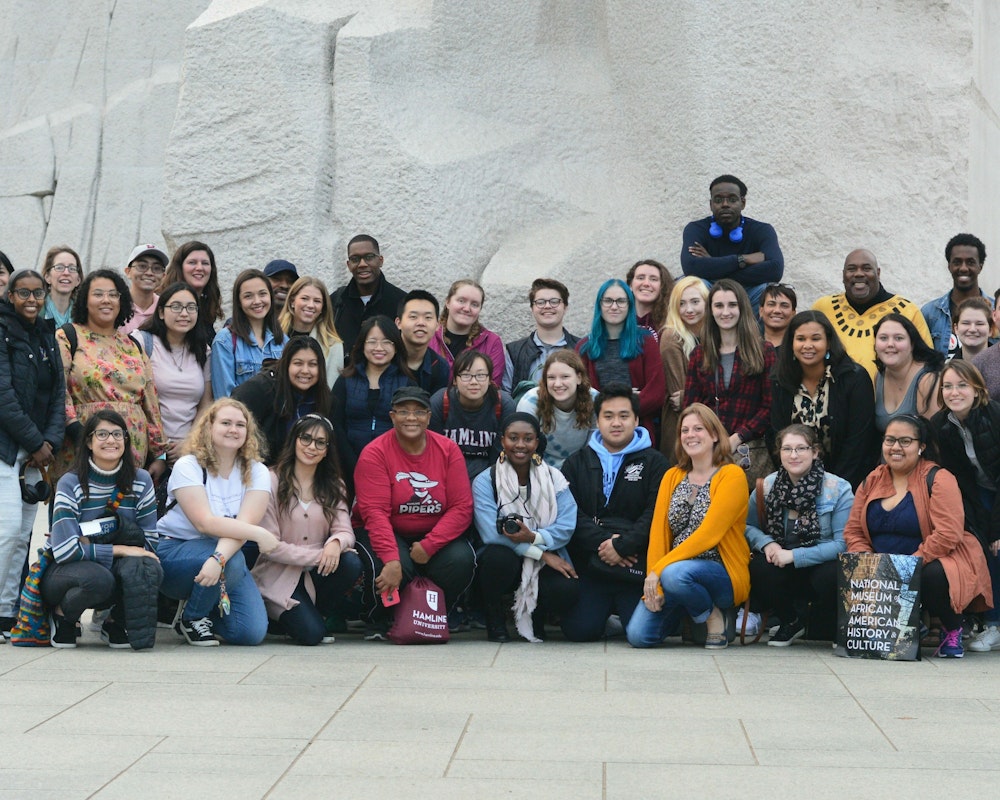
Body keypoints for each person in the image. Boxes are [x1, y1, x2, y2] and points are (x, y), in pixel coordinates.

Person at [844, 414, 992, 658]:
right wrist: (868, 561)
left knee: (935, 575)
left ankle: (952, 628)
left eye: (905, 441)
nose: (895, 447)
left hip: (930, 559)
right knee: (832, 572)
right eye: (890, 440)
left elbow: (948, 533)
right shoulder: (872, 479)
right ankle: (883, 629)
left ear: (921, 446)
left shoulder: (939, 478)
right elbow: (853, 530)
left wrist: (909, 564)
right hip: (881, 564)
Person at [352, 387, 475, 640]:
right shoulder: (374, 453)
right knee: (394, 565)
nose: (411, 418)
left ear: (429, 417)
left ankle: (440, 611)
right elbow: (374, 513)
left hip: (432, 530)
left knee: (463, 559)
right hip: (388, 527)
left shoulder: (448, 449)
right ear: (392, 416)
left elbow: (462, 507)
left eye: (418, 411)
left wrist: (430, 545)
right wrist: (392, 559)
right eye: (403, 411)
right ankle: (380, 616)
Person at [626, 403, 751, 649]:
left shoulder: (732, 475)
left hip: (720, 572)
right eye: (684, 430)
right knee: (638, 637)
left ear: (715, 435)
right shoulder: (672, 476)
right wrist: (654, 588)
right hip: (673, 575)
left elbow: (709, 535)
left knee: (677, 574)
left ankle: (714, 616)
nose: (690, 435)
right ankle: (694, 611)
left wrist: (659, 570)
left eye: (698, 429)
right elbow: (659, 534)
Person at [157, 399, 279, 646]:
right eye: (225, 423)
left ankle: (202, 601)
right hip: (175, 551)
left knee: (250, 633)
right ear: (208, 427)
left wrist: (217, 559)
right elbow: (205, 523)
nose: (233, 429)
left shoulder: (257, 471)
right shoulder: (188, 465)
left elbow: (242, 525)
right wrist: (258, 534)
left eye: (240, 425)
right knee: (234, 560)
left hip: (224, 555)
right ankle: (192, 618)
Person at [43, 410, 161, 649]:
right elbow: (65, 550)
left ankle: (115, 621)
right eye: (102, 434)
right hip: (64, 572)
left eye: (118, 434)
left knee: (148, 567)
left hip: (102, 562)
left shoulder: (140, 480)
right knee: (99, 579)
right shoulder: (71, 481)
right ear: (88, 441)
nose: (111, 440)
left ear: (126, 441)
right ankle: (63, 616)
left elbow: (149, 543)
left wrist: (89, 544)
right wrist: (122, 549)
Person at [560, 386, 668, 641]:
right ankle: (604, 616)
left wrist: (622, 546)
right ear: (597, 421)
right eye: (608, 416)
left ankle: (623, 614)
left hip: (635, 563)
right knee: (579, 631)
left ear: (636, 420)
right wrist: (604, 545)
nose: (616, 423)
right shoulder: (576, 462)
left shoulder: (656, 463)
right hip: (593, 562)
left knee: (643, 634)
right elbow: (569, 513)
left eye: (624, 415)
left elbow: (655, 514)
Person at [252, 414, 362, 645]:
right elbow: (270, 546)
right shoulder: (271, 480)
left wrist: (335, 543)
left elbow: (345, 531)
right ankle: (281, 617)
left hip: (315, 573)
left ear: (327, 450)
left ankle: (314, 613)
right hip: (278, 572)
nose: (312, 447)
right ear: (294, 440)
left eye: (320, 442)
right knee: (312, 636)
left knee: (350, 562)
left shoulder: (334, 485)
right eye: (306, 438)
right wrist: (319, 556)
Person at [471, 412, 579, 642]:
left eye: (528, 438)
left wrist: (533, 537)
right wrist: (541, 553)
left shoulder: (554, 477)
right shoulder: (485, 480)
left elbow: (567, 526)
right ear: (502, 441)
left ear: (537, 443)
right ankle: (495, 618)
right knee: (496, 558)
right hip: (505, 557)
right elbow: (491, 534)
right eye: (513, 438)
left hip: (543, 550)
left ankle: (537, 615)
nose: (520, 445)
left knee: (567, 590)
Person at [0, 269, 64, 640]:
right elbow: (4, 398)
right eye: (22, 292)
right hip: (8, 447)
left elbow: (58, 394)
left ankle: (7, 613)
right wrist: (35, 443)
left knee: (23, 535)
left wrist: (49, 443)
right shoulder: (3, 330)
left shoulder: (47, 335)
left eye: (38, 293)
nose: (31, 300)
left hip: (37, 448)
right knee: (7, 532)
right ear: (10, 296)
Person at [54, 269, 166, 483]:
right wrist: (75, 428)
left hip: (131, 450)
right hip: (83, 444)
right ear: (85, 301)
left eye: (113, 294)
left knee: (124, 515)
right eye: (98, 294)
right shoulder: (68, 336)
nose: (106, 300)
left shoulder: (132, 345)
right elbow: (58, 387)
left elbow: (150, 400)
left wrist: (160, 453)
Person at [745, 424, 853, 645]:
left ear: (815, 452)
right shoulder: (767, 486)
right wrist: (767, 545)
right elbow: (747, 526)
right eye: (787, 449)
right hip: (783, 564)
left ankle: (836, 626)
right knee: (759, 566)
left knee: (833, 572)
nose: (793, 455)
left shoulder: (838, 488)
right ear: (779, 453)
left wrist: (795, 556)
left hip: (819, 565)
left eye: (801, 449)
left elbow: (842, 544)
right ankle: (790, 621)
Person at [930, 361, 1000, 651]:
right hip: (978, 494)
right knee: (981, 549)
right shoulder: (940, 425)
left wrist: (996, 528)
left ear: (977, 389)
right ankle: (990, 623)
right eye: (948, 386)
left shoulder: (995, 414)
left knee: (997, 546)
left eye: (962, 385)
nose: (954, 392)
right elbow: (958, 478)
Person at [771, 310, 877, 489]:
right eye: (801, 339)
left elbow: (858, 443)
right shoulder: (779, 381)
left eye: (815, 338)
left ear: (828, 342)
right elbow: (776, 436)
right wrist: (797, 482)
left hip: (846, 482)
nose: (808, 345)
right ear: (791, 343)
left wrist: (834, 487)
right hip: (794, 482)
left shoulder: (854, 378)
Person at [684, 279, 775, 486]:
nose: (726, 312)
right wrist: (709, 438)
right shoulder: (699, 354)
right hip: (707, 451)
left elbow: (769, 407)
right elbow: (691, 407)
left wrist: (737, 437)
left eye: (732, 305)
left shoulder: (764, 351)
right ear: (711, 310)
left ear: (742, 308)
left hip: (748, 452)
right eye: (719, 305)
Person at [812, 248, 933, 377]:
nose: (859, 274)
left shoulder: (906, 310)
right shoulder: (823, 308)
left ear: (878, 273)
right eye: (851, 269)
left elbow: (928, 365)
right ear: (843, 275)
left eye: (866, 268)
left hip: (891, 395)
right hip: (835, 395)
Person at [133, 284, 213, 477]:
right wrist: (159, 451)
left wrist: (189, 442)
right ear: (161, 312)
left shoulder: (204, 350)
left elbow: (206, 403)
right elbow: (135, 400)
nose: (184, 313)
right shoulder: (142, 342)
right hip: (148, 449)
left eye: (191, 307)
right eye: (176, 307)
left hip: (189, 452)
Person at [576, 279, 666, 441]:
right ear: (599, 305)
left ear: (630, 305)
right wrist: (620, 401)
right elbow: (581, 394)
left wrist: (627, 407)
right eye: (608, 301)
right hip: (597, 433)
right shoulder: (584, 348)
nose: (614, 306)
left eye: (621, 301)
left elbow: (657, 391)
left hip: (639, 431)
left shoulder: (646, 342)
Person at [680, 175, 784, 312]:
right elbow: (691, 267)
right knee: (694, 287)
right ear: (711, 204)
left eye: (732, 199)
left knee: (767, 291)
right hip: (711, 290)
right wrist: (742, 259)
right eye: (718, 200)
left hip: (748, 291)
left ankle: (756, 334)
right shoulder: (696, 229)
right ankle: (704, 334)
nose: (725, 204)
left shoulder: (762, 230)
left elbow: (775, 269)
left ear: (743, 203)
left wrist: (712, 265)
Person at [331, 316, 415, 476]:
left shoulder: (407, 383)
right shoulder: (346, 380)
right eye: (372, 341)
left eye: (386, 342)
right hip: (347, 466)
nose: (379, 347)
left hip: (393, 467)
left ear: (396, 346)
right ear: (362, 345)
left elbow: (411, 428)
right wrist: (353, 464)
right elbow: (336, 425)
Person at [233, 337, 333, 465]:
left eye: (312, 364)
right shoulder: (260, 389)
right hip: (262, 470)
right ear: (286, 364)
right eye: (298, 363)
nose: (305, 371)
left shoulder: (325, 398)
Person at [430, 349, 515, 481]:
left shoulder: (504, 404)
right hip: (448, 472)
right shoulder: (440, 402)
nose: (474, 382)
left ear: (490, 379)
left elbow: (500, 457)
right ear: (454, 380)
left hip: (490, 474)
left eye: (481, 375)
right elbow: (434, 453)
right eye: (466, 375)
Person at [331, 234, 408, 363]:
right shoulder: (336, 301)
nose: (362, 264)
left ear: (381, 260)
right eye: (355, 259)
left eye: (369, 257)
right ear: (348, 265)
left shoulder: (401, 302)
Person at [211, 268, 286, 398]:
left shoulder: (283, 341)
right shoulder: (225, 341)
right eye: (248, 296)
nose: (257, 301)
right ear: (239, 302)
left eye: (262, 294)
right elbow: (224, 398)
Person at [516, 350, 597, 469]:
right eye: (551, 378)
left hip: (581, 465)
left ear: (579, 378)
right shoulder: (530, 402)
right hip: (540, 465)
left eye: (565, 376)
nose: (558, 384)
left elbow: (595, 445)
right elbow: (523, 447)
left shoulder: (595, 400)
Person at [658, 276, 708, 463]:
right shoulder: (672, 337)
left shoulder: (713, 336)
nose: (689, 309)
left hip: (709, 425)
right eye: (682, 303)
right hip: (682, 426)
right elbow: (679, 399)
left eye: (695, 302)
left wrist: (692, 394)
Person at [502, 278, 580, 394]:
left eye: (554, 301)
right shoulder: (514, 352)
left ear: (565, 307)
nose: (547, 306)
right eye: (540, 302)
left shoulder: (582, 348)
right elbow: (506, 395)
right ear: (532, 309)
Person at [921, 233, 991, 357]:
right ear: (949, 266)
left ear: (980, 267)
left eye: (970, 262)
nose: (963, 268)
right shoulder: (930, 313)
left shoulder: (995, 310)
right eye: (957, 262)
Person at [873, 313, 944, 432]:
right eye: (883, 338)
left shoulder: (928, 380)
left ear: (912, 344)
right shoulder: (879, 376)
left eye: (899, 338)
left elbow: (935, 440)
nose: (890, 344)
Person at [429, 279, 505, 380]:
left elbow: (493, 385)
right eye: (461, 301)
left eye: (474, 304)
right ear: (448, 302)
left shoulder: (491, 342)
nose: (467, 308)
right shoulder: (429, 335)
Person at [278, 275, 344, 388]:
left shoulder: (333, 345)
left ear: (323, 308)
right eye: (304, 298)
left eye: (317, 301)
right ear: (292, 301)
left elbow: (330, 389)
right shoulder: (272, 336)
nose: (310, 305)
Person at [160, 241, 224, 338]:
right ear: (180, 267)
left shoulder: (207, 306)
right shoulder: (161, 303)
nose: (199, 268)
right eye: (192, 262)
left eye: (205, 263)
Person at [395, 290, 450, 395]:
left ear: (437, 325)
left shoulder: (440, 367)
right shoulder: (383, 359)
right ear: (399, 323)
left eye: (428, 318)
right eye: (413, 317)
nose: (421, 323)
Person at [120, 244, 169, 335]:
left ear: (163, 276)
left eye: (157, 268)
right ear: (128, 271)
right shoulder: (116, 305)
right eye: (142, 266)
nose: (149, 273)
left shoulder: (166, 308)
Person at [627, 259, 674, 336]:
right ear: (630, 285)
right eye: (640, 278)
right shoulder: (619, 320)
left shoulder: (671, 323)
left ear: (662, 286)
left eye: (653, 279)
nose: (646, 283)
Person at [41, 245, 82, 328]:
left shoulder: (84, 315)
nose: (66, 273)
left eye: (72, 268)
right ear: (47, 277)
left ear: (78, 280)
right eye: (59, 267)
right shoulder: (35, 311)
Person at [759, 282, 797, 351]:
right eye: (771, 304)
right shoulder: (748, 344)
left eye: (784, 306)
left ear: (793, 313)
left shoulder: (798, 347)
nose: (777, 310)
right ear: (761, 311)